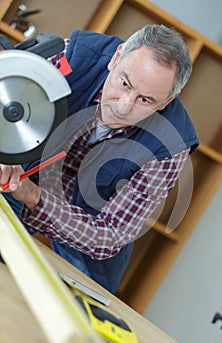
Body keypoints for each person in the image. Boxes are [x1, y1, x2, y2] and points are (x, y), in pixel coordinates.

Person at [0, 24, 199, 294]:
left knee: (81, 314)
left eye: (145, 100)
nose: (124, 105)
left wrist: (32, 194)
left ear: (167, 101)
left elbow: (109, 235)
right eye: (125, 83)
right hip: (16, 181)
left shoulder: (171, 146)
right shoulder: (73, 55)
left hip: (90, 237)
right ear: (116, 58)